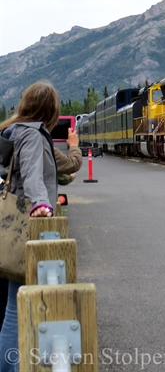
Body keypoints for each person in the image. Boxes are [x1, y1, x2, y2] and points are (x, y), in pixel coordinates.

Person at [0, 81, 61, 372]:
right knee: (16, 308)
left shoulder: (11, 131)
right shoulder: (33, 135)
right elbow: (33, 174)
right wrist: (41, 204)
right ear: (50, 110)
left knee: (10, 307)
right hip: (26, 227)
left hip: (8, 227)